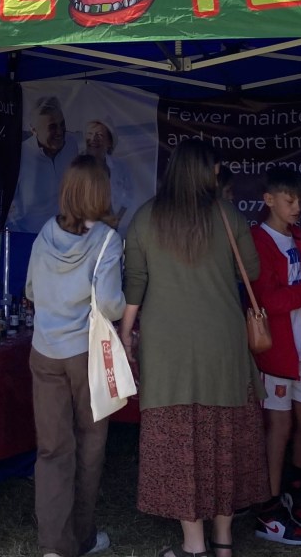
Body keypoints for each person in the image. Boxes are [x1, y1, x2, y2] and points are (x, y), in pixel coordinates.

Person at [120, 138, 268, 557]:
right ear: (208, 172)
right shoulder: (228, 215)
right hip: (224, 344)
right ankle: (223, 544)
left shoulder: (147, 217)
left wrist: (127, 335)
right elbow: (252, 270)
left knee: (181, 441)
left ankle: (193, 545)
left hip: (167, 349)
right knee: (226, 440)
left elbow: (135, 284)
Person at [25, 155, 125, 557]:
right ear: (101, 193)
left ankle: (53, 546)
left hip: (44, 352)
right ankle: (81, 539)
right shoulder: (107, 241)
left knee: (52, 450)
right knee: (90, 444)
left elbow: (31, 290)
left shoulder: (45, 233)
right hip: (86, 355)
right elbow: (112, 305)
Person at [249, 167, 301, 546]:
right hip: (276, 351)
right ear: (269, 200)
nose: (298, 207)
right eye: (290, 200)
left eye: (300, 200)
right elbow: (268, 299)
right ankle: (267, 507)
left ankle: (294, 490)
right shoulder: (259, 239)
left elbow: (300, 290)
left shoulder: (294, 236)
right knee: (279, 428)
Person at [8, 95, 80, 232]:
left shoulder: (71, 144)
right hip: (30, 239)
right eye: (52, 127)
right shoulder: (19, 155)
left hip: (64, 237)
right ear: (34, 130)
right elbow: (8, 206)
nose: (60, 132)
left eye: (62, 124)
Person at [83, 118, 132, 227]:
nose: (93, 138)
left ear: (109, 143)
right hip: (83, 230)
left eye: (99, 135)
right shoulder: (77, 167)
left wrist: (117, 219)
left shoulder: (120, 166)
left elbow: (129, 195)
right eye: (90, 134)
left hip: (110, 229)